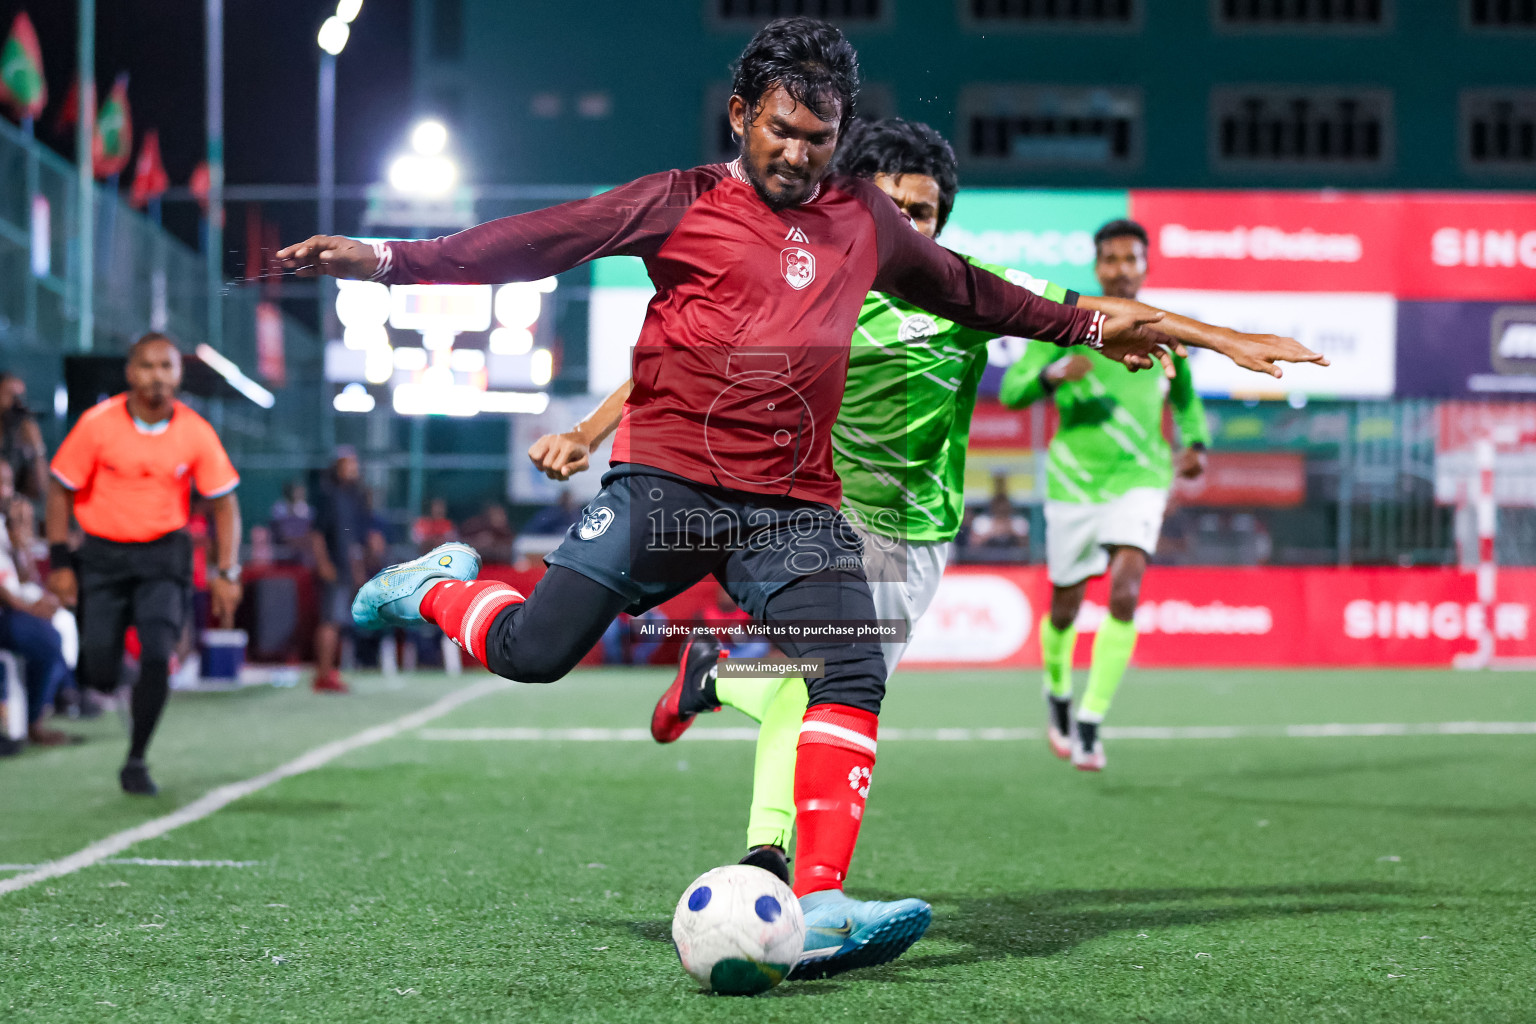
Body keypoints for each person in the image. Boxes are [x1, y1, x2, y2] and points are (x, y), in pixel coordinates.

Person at [281, 18, 1318, 979]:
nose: (799, 155)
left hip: (790, 510)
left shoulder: (864, 222)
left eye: (821, 139)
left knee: (847, 663)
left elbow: (1001, 300)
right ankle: (433, 588)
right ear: (742, 117)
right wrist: (381, 261)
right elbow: (532, 242)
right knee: (534, 653)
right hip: (670, 489)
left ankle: (816, 899)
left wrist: (1202, 335)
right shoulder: (679, 200)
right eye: (783, 132)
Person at [533, 118, 1316, 886]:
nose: (907, 224)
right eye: (894, 207)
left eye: (925, 213)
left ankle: (715, 678)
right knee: (827, 688)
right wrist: (589, 431)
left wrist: (1223, 338)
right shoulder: (801, 283)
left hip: (919, 533)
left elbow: (1101, 314)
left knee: (810, 681)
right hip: (820, 517)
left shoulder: (959, 288)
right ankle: (771, 860)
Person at [1000, 219, 1211, 771]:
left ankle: (1092, 719)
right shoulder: (1063, 328)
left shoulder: (1166, 331)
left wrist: (1197, 445)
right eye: (1111, 260)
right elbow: (1012, 390)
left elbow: (1186, 400)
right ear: (1097, 268)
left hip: (1141, 479)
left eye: (1131, 259)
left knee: (1125, 588)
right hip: (1074, 483)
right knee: (1065, 606)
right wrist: (1051, 377)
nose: (1121, 269)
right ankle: (1058, 689)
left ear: (1145, 266)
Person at [46, 334, 243, 794]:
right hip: (103, 558)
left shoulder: (195, 431)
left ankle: (136, 757)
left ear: (178, 374)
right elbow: (59, 488)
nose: (157, 377)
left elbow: (225, 504)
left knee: (159, 654)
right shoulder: (97, 425)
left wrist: (227, 572)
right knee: (100, 671)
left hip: (163, 558)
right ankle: (124, 679)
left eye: (167, 367)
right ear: (130, 372)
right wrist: (59, 562)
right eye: (148, 366)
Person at [0, 461, 78, 747]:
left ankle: (48, 707)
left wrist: (19, 539)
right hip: (7, 610)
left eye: (8, 484)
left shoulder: (5, 523)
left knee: (59, 625)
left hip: (14, 607)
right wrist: (29, 609)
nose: (6, 491)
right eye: (0, 484)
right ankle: (35, 718)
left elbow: (25, 577)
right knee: (47, 638)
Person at [309, 448, 375, 694]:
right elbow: (316, 534)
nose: (354, 468)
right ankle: (323, 674)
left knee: (337, 622)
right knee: (329, 620)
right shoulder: (329, 495)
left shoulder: (352, 497)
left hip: (346, 569)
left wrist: (357, 568)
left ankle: (329, 671)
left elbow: (353, 539)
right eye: (349, 464)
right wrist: (324, 563)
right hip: (334, 568)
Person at [0, 372, 48, 501]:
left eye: (18, 397)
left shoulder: (21, 431)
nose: (16, 403)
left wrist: (37, 446)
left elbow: (41, 488)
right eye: (9, 394)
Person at [269, 480, 314, 562]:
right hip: (283, 548)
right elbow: (281, 532)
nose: (298, 493)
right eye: (296, 490)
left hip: (304, 548)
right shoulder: (279, 507)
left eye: (300, 490)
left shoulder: (308, 509)